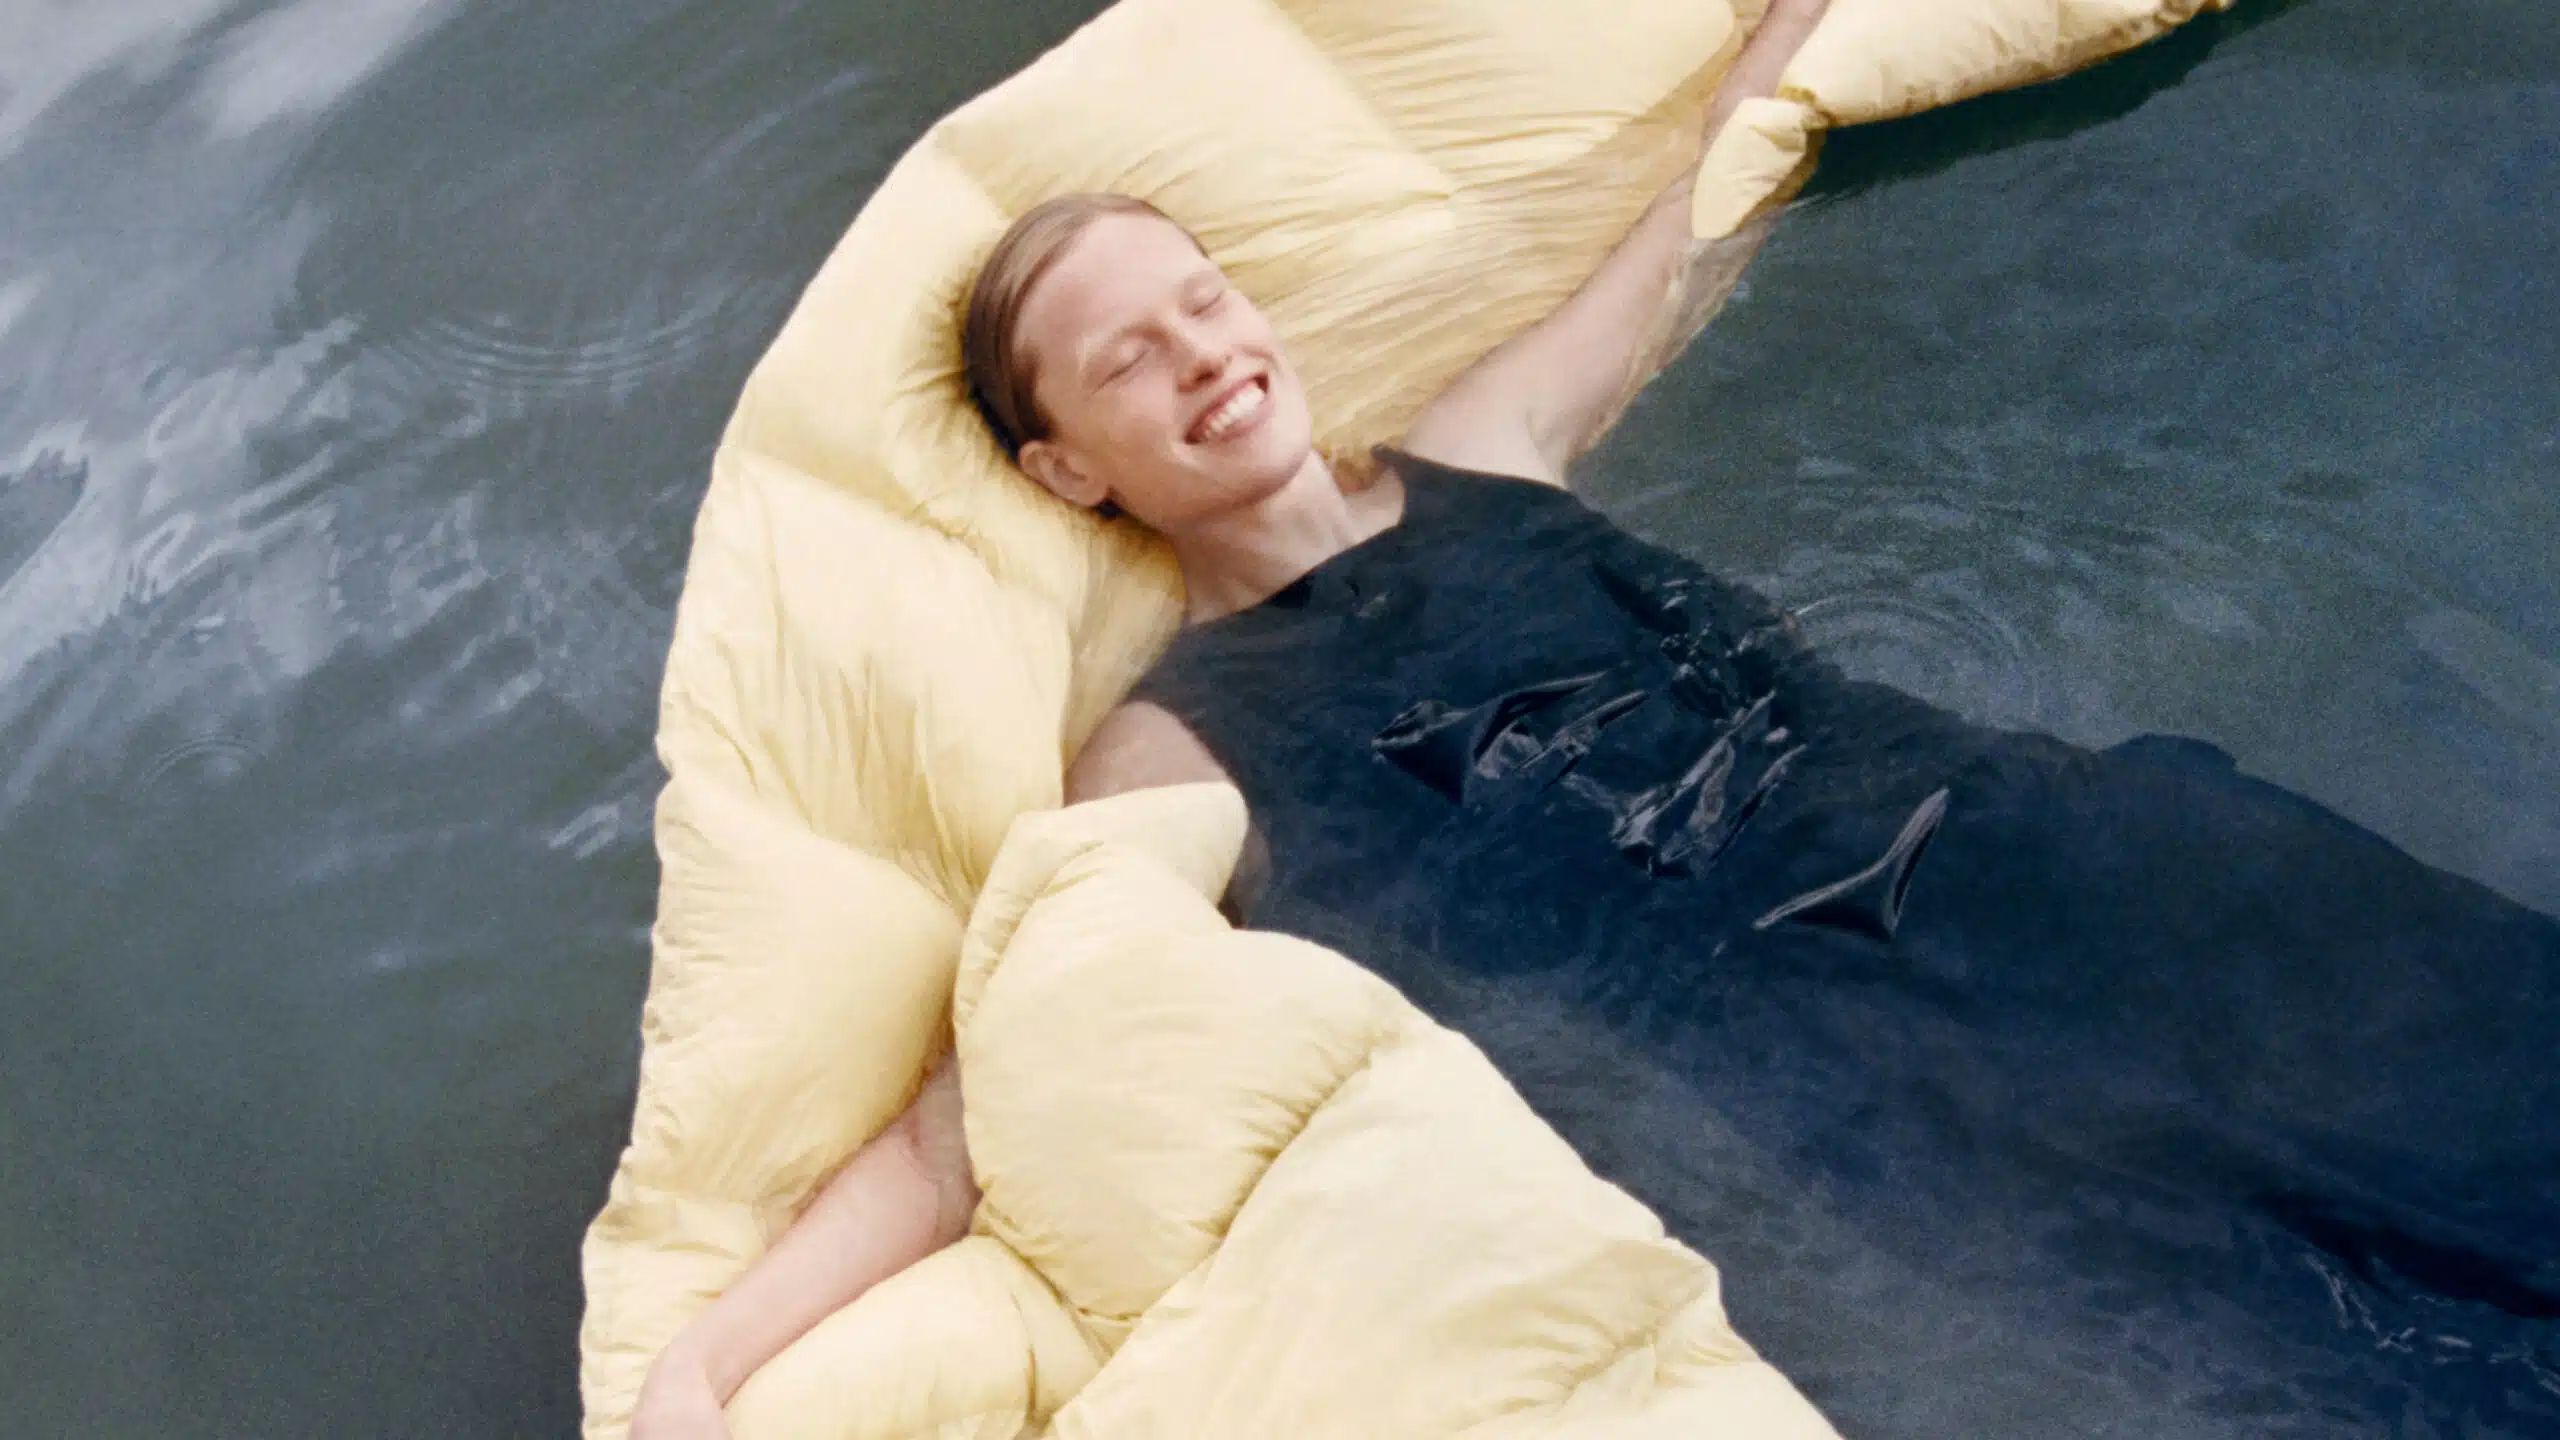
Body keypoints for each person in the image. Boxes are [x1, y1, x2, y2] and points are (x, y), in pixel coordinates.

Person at [635, 0, 2560, 1429]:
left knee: (2496, 1067)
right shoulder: (1178, 743)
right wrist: (703, 1366)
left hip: (2061, 850)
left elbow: (1704, 202)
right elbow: (980, 1110)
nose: (1203, 355)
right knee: (2382, 1360)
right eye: (1128, 359)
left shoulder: (1485, 447)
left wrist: (1792, 29)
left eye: (1203, 301)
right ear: (1069, 471)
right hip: (1893, 1083)